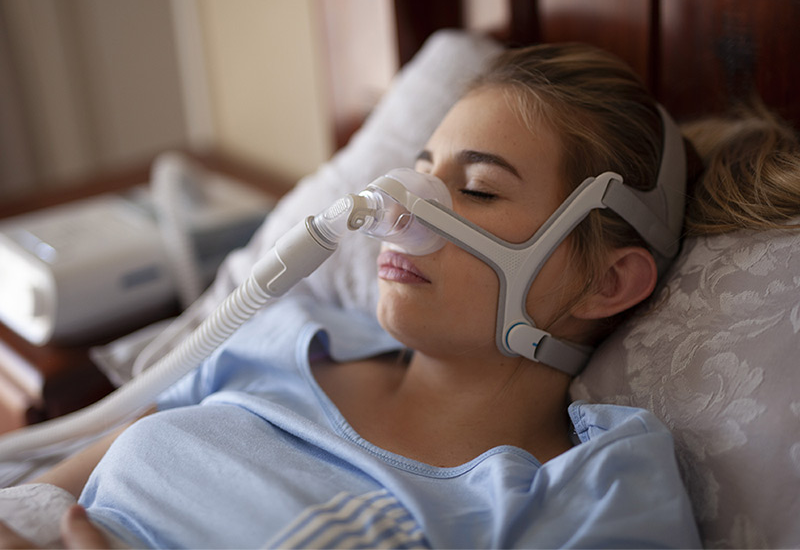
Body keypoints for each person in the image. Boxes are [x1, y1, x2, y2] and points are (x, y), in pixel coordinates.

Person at [3, 41, 797, 549]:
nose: (402, 207)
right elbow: (38, 501)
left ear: (606, 279)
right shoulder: (279, 334)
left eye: (478, 190)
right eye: (422, 172)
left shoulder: (590, 490)